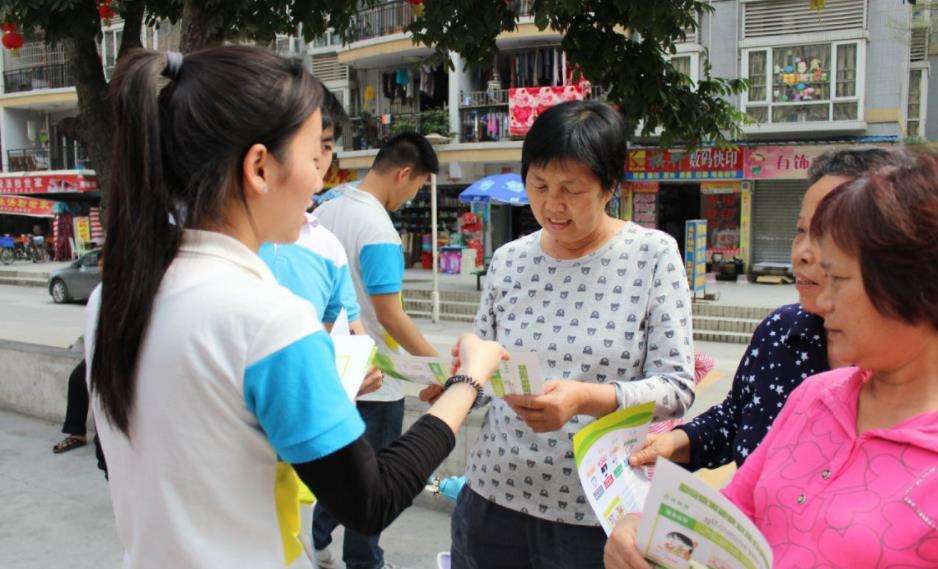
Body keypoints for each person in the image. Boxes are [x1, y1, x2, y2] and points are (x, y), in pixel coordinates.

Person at [86, 46, 508, 569]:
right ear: (260, 167)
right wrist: (467, 381)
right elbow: (369, 499)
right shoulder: (266, 318)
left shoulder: (115, 295)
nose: (321, 181)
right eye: (315, 157)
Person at [604, 150, 938, 568]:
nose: (825, 298)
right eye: (802, 232)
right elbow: (732, 515)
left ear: (911, 283)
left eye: (838, 277)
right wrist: (648, 535)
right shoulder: (816, 395)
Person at [440, 100, 695, 569]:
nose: (552, 204)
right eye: (539, 185)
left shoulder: (652, 256)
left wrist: (585, 398)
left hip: (591, 515)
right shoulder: (509, 260)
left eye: (571, 189)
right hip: (492, 500)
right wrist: (454, 387)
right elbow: (484, 373)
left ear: (609, 188)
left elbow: (677, 389)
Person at [628, 148, 899, 471]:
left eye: (830, 235)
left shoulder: (911, 375)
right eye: (801, 230)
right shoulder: (781, 331)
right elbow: (737, 419)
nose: (803, 253)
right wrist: (676, 442)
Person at [313, 132, 441, 569]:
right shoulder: (379, 229)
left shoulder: (325, 207)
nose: (413, 196)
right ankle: (365, 562)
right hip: (376, 382)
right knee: (374, 483)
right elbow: (390, 314)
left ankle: (317, 536)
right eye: (419, 186)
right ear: (404, 174)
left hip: (331, 373)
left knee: (338, 469)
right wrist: (438, 369)